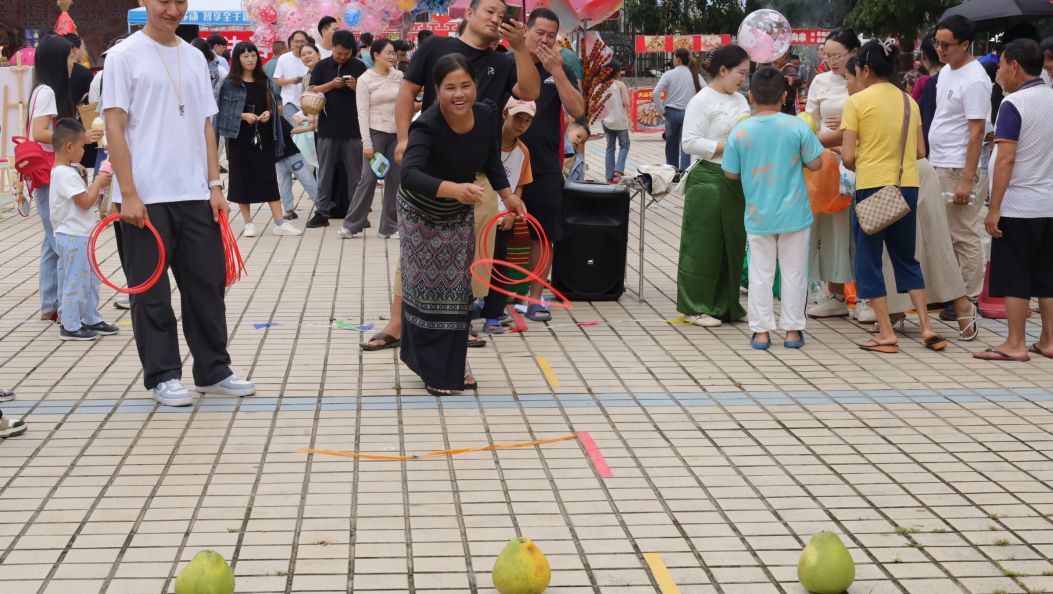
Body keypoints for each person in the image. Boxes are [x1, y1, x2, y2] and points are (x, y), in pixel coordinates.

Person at [103, 0, 256, 406]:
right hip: (145, 198)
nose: (172, 9)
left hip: (194, 193)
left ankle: (213, 369)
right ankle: (163, 375)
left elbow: (205, 123)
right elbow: (114, 128)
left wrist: (214, 186)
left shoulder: (194, 57)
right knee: (150, 291)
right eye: (163, 1)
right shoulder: (122, 56)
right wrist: (129, 193)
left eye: (179, 2)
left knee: (207, 286)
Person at [363, 0, 540, 350]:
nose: (495, 19)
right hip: (432, 170)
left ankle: (459, 322)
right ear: (469, 14)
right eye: (488, 10)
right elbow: (408, 91)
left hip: (480, 174)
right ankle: (398, 322)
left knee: (472, 251)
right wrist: (402, 139)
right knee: (417, 247)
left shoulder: (504, 60)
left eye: (502, 15)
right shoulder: (436, 47)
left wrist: (520, 46)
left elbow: (531, 92)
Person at [398, 54, 523, 395]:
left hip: (458, 211)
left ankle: (454, 364)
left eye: (465, 85)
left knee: (456, 292)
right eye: (450, 87)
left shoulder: (485, 115)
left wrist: (507, 196)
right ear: (436, 90)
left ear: (475, 86)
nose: (459, 94)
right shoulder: (427, 124)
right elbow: (409, 175)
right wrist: (454, 189)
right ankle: (431, 368)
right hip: (421, 213)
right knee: (426, 291)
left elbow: (491, 160)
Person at [841, 39, 948, 354]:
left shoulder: (857, 103)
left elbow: (848, 158)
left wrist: (869, 156)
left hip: (872, 188)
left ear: (865, 69)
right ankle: (927, 327)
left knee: (868, 260)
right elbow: (919, 151)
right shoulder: (908, 102)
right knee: (905, 257)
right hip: (907, 187)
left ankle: (886, 332)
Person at [723, 66, 824, 350]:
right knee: (794, 273)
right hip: (795, 214)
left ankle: (761, 333)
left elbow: (730, 173)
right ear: (784, 96)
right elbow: (816, 163)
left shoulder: (740, 131)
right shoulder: (797, 126)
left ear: (751, 96)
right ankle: (792, 332)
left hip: (757, 215)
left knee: (760, 273)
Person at [975, 40, 1053, 361]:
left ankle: (1015, 343)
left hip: (1019, 204)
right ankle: (1048, 340)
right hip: (1048, 203)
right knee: (1048, 276)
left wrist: (994, 209)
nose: (998, 73)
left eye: (1002, 65)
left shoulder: (1013, 104)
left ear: (1015, 66)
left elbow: (1005, 158)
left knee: (1016, 273)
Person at [27, 35, 102, 323]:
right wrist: (80, 137)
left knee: (51, 240)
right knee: (56, 240)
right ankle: (57, 304)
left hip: (46, 172)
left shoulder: (38, 89)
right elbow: (39, 133)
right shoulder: (47, 91)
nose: (74, 64)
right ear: (58, 61)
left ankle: (51, 303)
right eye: (71, 59)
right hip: (48, 172)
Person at [516, 8, 584, 321]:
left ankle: (535, 297)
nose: (544, 40)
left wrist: (556, 70)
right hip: (502, 163)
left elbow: (577, 108)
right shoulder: (505, 63)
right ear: (525, 31)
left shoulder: (559, 68)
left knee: (541, 234)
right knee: (493, 230)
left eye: (551, 35)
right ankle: (487, 297)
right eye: (539, 32)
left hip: (544, 164)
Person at [676, 45, 751, 328]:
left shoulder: (741, 100)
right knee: (702, 245)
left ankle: (727, 304)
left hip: (734, 178)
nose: (743, 79)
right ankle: (694, 306)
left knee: (732, 243)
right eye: (740, 73)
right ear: (723, 70)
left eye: (746, 74)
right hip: (707, 178)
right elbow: (689, 143)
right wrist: (725, 145)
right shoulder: (701, 100)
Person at [931, 15, 992, 318]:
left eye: (946, 45)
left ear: (965, 44)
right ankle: (953, 294)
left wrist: (967, 179)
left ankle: (969, 297)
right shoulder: (946, 71)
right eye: (937, 43)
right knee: (946, 233)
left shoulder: (976, 78)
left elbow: (977, 131)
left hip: (959, 167)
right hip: (940, 162)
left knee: (962, 233)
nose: (940, 50)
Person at [217, 41, 302, 237]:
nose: (250, 59)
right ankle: (248, 223)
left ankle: (279, 222)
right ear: (237, 59)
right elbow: (222, 113)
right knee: (241, 177)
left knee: (269, 177)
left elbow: (272, 107)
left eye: (253, 55)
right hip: (239, 137)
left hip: (263, 135)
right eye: (245, 56)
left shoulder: (264, 80)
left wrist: (268, 114)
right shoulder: (230, 84)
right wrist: (242, 116)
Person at [805, 28, 860, 319]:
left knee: (860, 230)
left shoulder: (865, 79)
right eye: (828, 56)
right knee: (830, 229)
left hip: (858, 162)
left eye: (838, 55)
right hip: (828, 166)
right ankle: (836, 294)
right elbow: (810, 123)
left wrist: (846, 130)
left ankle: (865, 297)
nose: (833, 62)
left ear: (854, 52)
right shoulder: (820, 81)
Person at [49, 118, 120, 341]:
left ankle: (90, 317)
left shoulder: (67, 171)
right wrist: (97, 183)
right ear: (69, 147)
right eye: (82, 146)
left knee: (90, 280)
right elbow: (85, 202)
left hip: (81, 235)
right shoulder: (63, 175)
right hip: (73, 236)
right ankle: (70, 324)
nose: (83, 151)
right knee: (75, 281)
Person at [479, 97, 535, 334]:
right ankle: (468, 307)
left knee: (500, 265)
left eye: (527, 121)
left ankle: (493, 314)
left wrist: (513, 212)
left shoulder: (523, 151)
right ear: (504, 114)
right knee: (474, 261)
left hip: (504, 218)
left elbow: (520, 184)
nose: (521, 124)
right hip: (479, 214)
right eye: (517, 118)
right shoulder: (484, 143)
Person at [340, 38, 402, 239]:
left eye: (394, 53)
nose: (392, 56)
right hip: (375, 133)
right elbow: (362, 113)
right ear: (376, 55)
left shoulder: (399, 76)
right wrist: (367, 143)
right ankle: (350, 225)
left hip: (396, 134)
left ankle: (389, 227)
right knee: (368, 178)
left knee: (395, 179)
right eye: (389, 53)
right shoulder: (366, 79)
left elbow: (404, 106)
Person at [303, 31, 366, 228]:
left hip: (354, 129)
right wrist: (331, 84)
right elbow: (311, 91)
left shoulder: (359, 66)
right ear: (333, 48)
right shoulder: (322, 66)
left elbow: (369, 94)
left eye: (346, 54)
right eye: (339, 53)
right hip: (327, 129)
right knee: (325, 173)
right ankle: (322, 212)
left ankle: (357, 215)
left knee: (356, 175)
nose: (342, 57)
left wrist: (357, 87)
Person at [653, 48, 703, 170]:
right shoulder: (695, 75)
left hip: (671, 113)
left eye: (674, 57)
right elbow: (707, 90)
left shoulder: (668, 74)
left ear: (678, 59)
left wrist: (662, 110)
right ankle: (683, 173)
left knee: (671, 146)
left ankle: (671, 172)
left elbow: (656, 93)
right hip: (689, 113)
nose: (673, 59)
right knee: (686, 146)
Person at [275, 114, 319, 220]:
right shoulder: (276, 117)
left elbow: (292, 130)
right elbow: (292, 130)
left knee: (305, 181)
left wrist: (309, 128)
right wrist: (310, 128)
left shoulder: (276, 118)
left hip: (289, 157)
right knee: (304, 181)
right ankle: (289, 211)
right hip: (285, 158)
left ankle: (290, 211)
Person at [601, 60, 630, 183]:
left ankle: (609, 175)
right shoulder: (620, 85)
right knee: (624, 145)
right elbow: (625, 102)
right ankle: (618, 171)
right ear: (618, 73)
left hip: (606, 121)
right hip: (620, 121)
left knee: (610, 147)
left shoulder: (602, 85)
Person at [273, 30, 311, 120]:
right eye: (296, 41)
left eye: (302, 42)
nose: (299, 44)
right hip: (289, 102)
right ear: (291, 42)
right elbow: (276, 80)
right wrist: (291, 81)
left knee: (305, 131)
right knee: (295, 129)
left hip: (309, 103)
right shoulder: (284, 58)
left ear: (307, 42)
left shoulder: (311, 58)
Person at [917, 35, 941, 153]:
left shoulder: (932, 83)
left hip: (936, 152)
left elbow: (928, 121)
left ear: (922, 55)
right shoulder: (955, 77)